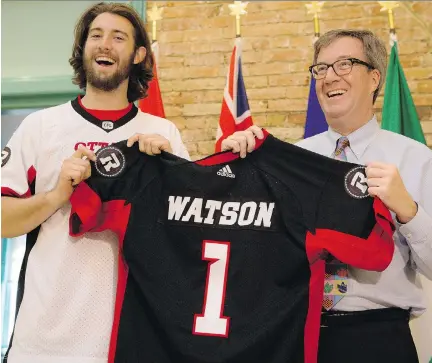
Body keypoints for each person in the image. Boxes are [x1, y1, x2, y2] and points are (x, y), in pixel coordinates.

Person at [222, 29, 432, 363]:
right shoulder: (291, 160)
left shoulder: (416, 158)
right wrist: (235, 169)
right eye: (320, 68)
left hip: (379, 338)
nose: (329, 77)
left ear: (374, 77)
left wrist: (408, 211)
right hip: (296, 334)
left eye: (344, 64)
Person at [1, 2, 189, 363]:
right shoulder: (41, 127)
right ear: (83, 49)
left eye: (118, 37)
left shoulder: (163, 133)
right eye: (96, 35)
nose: (105, 44)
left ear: (138, 54)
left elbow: (184, 237)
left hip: (132, 336)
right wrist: (57, 195)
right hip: (45, 341)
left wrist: (170, 172)